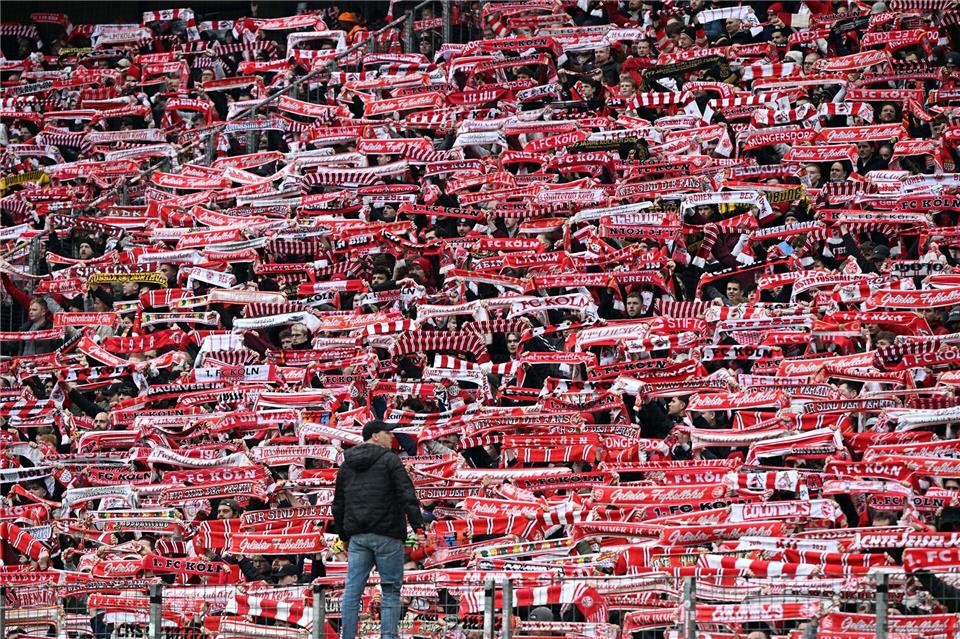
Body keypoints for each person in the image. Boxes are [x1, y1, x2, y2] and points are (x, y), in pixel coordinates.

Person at [334, 420, 427, 639]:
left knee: (352, 591)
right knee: (391, 591)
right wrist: (419, 528)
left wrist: (343, 536)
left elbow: (338, 504)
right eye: (388, 433)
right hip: (388, 535)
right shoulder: (390, 460)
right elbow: (407, 495)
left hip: (357, 537)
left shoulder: (346, 465)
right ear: (375, 436)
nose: (392, 437)